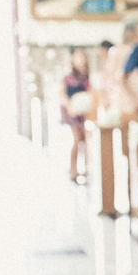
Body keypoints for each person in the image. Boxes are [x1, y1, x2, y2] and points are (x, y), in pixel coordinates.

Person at [60, 48, 93, 182]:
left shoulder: (85, 77)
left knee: (85, 141)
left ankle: (86, 169)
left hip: (83, 114)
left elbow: (90, 92)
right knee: (76, 139)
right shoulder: (68, 78)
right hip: (72, 113)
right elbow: (62, 94)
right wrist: (70, 106)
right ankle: (73, 169)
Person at [98, 22, 138, 119]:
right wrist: (135, 99)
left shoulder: (117, 51)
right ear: (133, 33)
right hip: (126, 99)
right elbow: (117, 78)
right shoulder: (123, 51)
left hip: (124, 99)